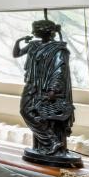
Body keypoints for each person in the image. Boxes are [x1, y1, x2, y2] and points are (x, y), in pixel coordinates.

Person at [13, 19, 74, 159]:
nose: (35, 32)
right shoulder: (34, 45)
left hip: (46, 89)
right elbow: (16, 54)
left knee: (43, 115)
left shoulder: (58, 49)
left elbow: (60, 70)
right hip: (31, 85)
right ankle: (52, 141)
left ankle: (53, 144)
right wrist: (19, 41)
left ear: (46, 31)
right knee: (25, 111)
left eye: (36, 29)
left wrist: (53, 89)